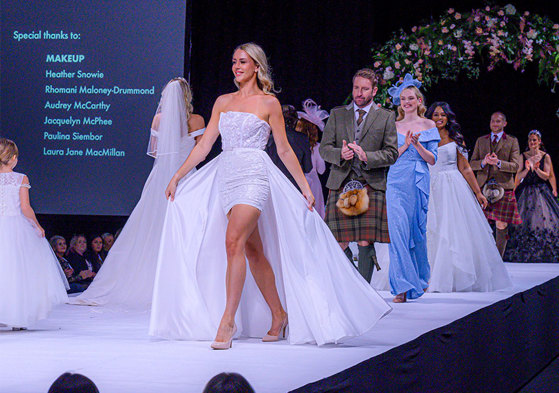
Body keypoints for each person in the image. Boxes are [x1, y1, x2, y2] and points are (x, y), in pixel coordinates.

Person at [149, 43, 391, 349]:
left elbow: (284, 149)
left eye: (243, 62)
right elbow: (204, 145)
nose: (236, 66)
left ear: (256, 67)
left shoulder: (269, 103)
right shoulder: (222, 101)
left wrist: (304, 186)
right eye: (234, 61)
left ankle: (228, 321)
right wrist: (177, 176)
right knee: (252, 249)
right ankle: (279, 314)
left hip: (254, 174)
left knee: (232, 241)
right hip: (226, 173)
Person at [71, 77, 205, 308]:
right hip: (187, 178)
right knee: (187, 229)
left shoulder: (158, 120)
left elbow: (155, 152)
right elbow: (201, 152)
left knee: (153, 228)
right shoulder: (197, 120)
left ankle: (150, 281)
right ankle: (182, 283)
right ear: (187, 96)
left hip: (161, 177)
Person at [320, 68, 398, 282]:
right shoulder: (338, 114)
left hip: (369, 183)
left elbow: (392, 154)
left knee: (365, 240)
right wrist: (340, 153)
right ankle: (353, 284)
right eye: (356, 88)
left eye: (365, 89)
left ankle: (364, 289)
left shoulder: (385, 117)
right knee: (338, 240)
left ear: (374, 91)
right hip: (341, 182)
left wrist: (368, 157)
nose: (359, 93)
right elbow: (324, 148)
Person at [425, 102, 512, 292]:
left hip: (452, 187)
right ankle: (427, 276)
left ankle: (453, 277)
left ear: (448, 118)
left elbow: (465, 168)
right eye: (435, 115)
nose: (439, 118)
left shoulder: (456, 139)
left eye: (443, 115)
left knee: (452, 231)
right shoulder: (424, 137)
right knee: (430, 230)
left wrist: (478, 192)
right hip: (429, 185)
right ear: (429, 117)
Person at [0, 138, 68, 329]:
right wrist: (37, 226)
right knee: (18, 272)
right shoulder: (21, 178)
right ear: (13, 158)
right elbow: (25, 208)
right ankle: (17, 317)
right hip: (15, 228)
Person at [385, 74, 440, 302]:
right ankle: (400, 286)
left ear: (419, 101)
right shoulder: (393, 125)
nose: (406, 102)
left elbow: (433, 159)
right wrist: (405, 144)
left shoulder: (429, 125)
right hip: (396, 179)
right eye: (403, 98)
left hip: (418, 180)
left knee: (416, 232)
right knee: (397, 232)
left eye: (411, 98)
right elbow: (388, 158)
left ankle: (418, 279)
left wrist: (417, 146)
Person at [470, 112, 521, 258]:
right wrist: (484, 162)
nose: (495, 124)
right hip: (482, 188)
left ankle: (498, 259)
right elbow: (471, 164)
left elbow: (515, 166)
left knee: (501, 224)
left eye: (498, 121)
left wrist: (498, 163)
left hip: (504, 188)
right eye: (493, 121)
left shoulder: (512, 141)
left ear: (505, 123)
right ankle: (482, 257)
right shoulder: (481, 141)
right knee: (480, 225)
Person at [505, 130, 559, 262]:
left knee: (543, 219)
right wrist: (527, 169)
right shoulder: (523, 156)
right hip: (526, 190)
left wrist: (537, 170)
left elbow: (548, 175)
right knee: (524, 219)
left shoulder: (545, 156)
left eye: (534, 140)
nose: (532, 142)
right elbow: (518, 176)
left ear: (539, 142)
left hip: (541, 191)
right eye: (530, 140)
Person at [265, 104, 312, 188]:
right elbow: (308, 167)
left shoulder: (268, 138)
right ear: (295, 121)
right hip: (296, 185)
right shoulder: (302, 138)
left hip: (274, 185)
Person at [297, 99, 328, 218]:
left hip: (298, 180)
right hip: (313, 182)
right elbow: (321, 170)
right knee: (315, 215)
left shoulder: (294, 145)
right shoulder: (317, 147)